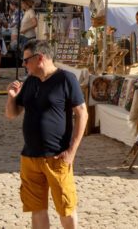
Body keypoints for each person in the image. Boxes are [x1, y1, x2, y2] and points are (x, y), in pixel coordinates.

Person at [5, 41, 87, 229]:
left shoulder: (66, 79)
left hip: (57, 156)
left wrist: (72, 151)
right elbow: (12, 114)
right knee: (36, 208)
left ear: (39, 58)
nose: (24, 64)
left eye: (26, 60)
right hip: (30, 156)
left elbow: (82, 113)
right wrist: (11, 97)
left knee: (66, 206)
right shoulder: (31, 81)